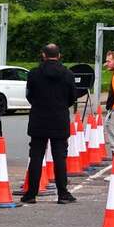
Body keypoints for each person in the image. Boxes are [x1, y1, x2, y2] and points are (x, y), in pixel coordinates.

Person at [22, 44, 78, 204]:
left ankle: (31, 193)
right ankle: (63, 193)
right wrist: (60, 105)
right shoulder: (68, 74)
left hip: (38, 118)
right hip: (59, 118)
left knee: (36, 156)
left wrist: (39, 104)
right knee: (60, 157)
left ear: (43, 55)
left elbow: (29, 95)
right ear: (59, 55)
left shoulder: (34, 73)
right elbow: (72, 96)